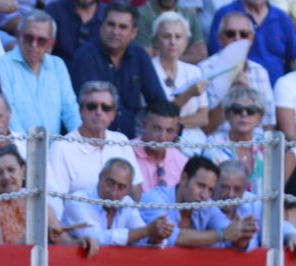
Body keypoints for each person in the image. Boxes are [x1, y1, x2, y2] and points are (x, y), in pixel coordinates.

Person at [66, 2, 165, 137]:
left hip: (129, 141)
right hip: (93, 140)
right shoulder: (84, 56)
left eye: (123, 27)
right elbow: (86, 107)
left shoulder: (139, 55)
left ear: (133, 32)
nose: (115, 32)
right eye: (111, 24)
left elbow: (159, 103)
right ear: (102, 26)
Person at [138, 154, 256, 248]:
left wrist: (241, 235)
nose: (204, 195)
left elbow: (229, 232)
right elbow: (172, 237)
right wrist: (223, 234)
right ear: (184, 178)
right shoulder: (154, 199)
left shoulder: (207, 205)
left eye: (210, 190)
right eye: (200, 186)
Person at [0, 11, 80, 135]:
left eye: (41, 40)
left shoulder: (57, 65)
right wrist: (25, 147)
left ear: (50, 44)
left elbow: (70, 110)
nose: (33, 45)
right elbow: (8, 113)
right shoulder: (3, 64)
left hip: (55, 149)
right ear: (18, 36)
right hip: (17, 147)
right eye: (28, 38)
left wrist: (79, 142)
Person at [47, 81, 131, 199]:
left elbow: (134, 190)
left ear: (114, 114)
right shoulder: (61, 147)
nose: (98, 112)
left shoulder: (122, 141)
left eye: (106, 107)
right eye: (91, 106)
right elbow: (56, 201)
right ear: (80, 110)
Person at [60, 155, 159, 246]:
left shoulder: (127, 202)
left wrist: (157, 236)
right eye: (110, 183)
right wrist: (147, 231)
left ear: (128, 189)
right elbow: (96, 238)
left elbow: (142, 238)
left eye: (121, 187)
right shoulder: (78, 201)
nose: (114, 192)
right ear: (100, 178)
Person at [211, 0, 296, 87]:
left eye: (244, 34)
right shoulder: (225, 14)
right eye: (231, 34)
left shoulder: (282, 17)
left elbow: (294, 57)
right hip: (236, 87)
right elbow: (216, 55)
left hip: (278, 89)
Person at [149, 11, 207, 135]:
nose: (172, 42)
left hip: (193, 140)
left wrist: (170, 125)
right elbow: (159, 115)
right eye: (166, 36)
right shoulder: (148, 69)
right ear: (156, 40)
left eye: (178, 37)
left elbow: (203, 117)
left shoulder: (194, 71)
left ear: (186, 41)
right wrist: (188, 94)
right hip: (158, 138)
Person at [133, 101, 187, 197]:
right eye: (157, 128)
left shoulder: (182, 162)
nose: (162, 137)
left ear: (177, 130)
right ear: (144, 125)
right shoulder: (126, 153)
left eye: (169, 131)